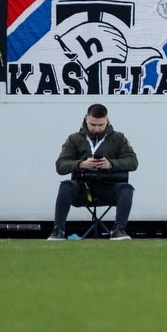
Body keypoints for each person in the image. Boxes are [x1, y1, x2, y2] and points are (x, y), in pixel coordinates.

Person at [51, 103, 138, 241]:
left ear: (107, 121)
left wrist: (111, 164)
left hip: (108, 187)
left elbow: (133, 162)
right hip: (83, 189)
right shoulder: (74, 139)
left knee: (126, 189)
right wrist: (81, 164)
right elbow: (60, 165)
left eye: (100, 125)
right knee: (66, 186)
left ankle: (119, 230)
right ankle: (58, 230)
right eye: (92, 124)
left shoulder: (118, 138)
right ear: (86, 119)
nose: (96, 129)